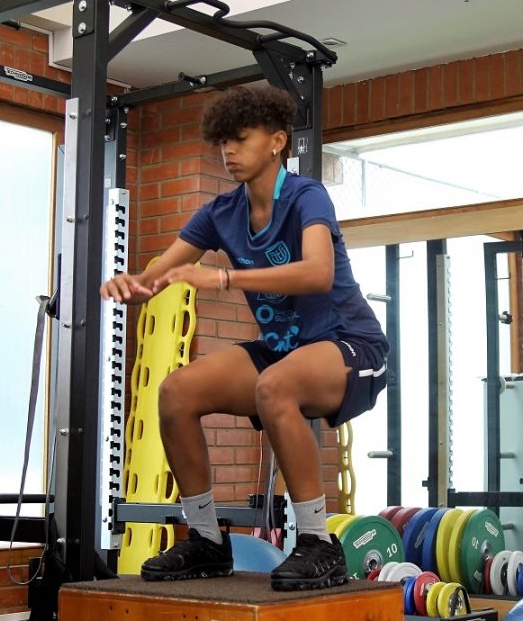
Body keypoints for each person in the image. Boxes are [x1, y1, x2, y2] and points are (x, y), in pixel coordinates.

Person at [100, 86, 388, 590]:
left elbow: (318, 272)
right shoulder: (220, 212)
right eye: (222, 142)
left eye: (240, 139)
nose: (228, 151)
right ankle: (207, 540)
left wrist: (225, 278)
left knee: (275, 385)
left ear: (277, 141)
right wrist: (131, 285)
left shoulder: (305, 196)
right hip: (281, 350)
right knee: (177, 392)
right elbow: (154, 279)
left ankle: (318, 542)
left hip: (350, 344)